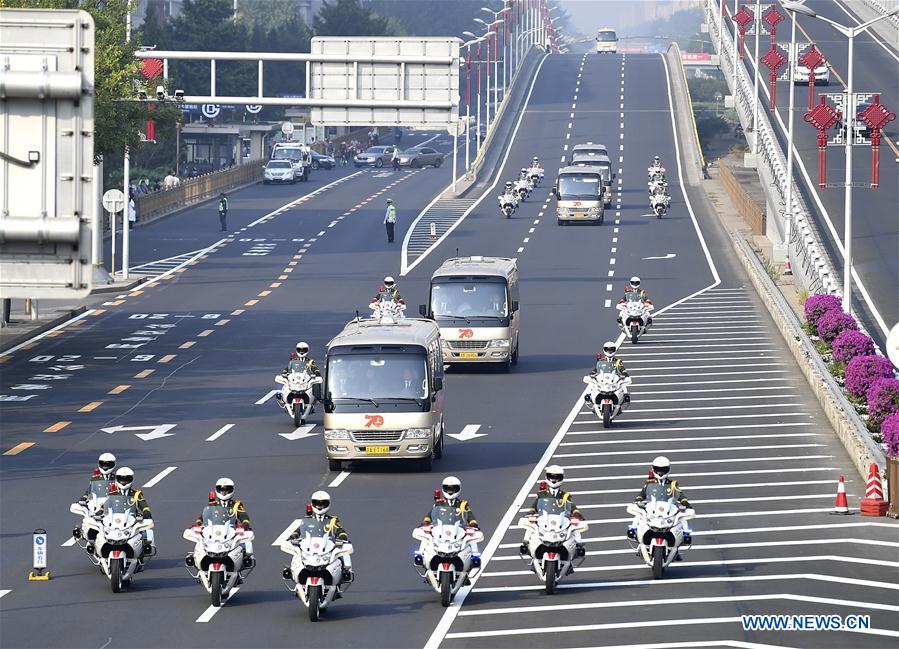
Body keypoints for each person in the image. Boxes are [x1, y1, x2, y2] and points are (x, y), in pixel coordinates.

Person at [629, 456, 692, 558]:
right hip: (652, 509)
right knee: (638, 517)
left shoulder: (672, 484)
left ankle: (681, 543)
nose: (660, 472)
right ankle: (634, 535)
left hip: (668, 509)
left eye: (663, 469)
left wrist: (686, 504)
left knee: (682, 520)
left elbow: (680, 495)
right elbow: (642, 494)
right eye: (658, 469)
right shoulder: (649, 483)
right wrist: (637, 501)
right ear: (653, 469)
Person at [521, 466, 585, 558]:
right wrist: (529, 513)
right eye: (551, 477)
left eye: (556, 477)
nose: (554, 480)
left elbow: (572, 506)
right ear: (547, 477)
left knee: (575, 525)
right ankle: (525, 544)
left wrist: (577, 513)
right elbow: (535, 506)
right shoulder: (541, 494)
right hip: (545, 520)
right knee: (531, 524)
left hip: (560, 520)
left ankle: (579, 545)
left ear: (561, 478)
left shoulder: (565, 495)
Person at [291, 490, 353, 582]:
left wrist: (342, 537)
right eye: (317, 503)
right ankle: (295, 577)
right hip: (311, 548)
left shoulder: (333, 520)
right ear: (312, 504)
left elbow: (340, 531)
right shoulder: (306, 520)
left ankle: (345, 574)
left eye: (323, 504)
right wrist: (292, 537)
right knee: (296, 555)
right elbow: (299, 531)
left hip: (327, 547)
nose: (320, 506)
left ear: (328, 504)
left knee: (343, 552)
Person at [416, 477, 480, 565]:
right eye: (448, 488)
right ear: (443, 489)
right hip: (440, 530)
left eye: (453, 489)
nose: (450, 491)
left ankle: (474, 558)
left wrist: (473, 524)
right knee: (425, 534)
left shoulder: (463, 504)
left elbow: (469, 515)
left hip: (458, 530)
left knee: (472, 536)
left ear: (458, 489)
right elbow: (430, 514)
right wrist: (425, 522)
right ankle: (421, 555)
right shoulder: (439, 503)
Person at [196, 478, 255, 567]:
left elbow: (244, 516)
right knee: (199, 544)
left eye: (227, 490)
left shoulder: (236, 505)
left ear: (231, 490)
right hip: (213, 532)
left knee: (246, 549)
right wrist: (198, 524)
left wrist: (244, 524)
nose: (224, 492)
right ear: (217, 490)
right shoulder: (212, 505)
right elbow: (203, 516)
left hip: (230, 532)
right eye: (222, 489)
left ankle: (242, 563)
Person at [110, 467, 155, 556]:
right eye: (121, 479)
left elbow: (144, 505)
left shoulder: (136, 494)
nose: (124, 481)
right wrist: (99, 512)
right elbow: (104, 507)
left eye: (126, 479)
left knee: (143, 531)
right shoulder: (111, 495)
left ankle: (142, 551)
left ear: (131, 480)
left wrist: (146, 512)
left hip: (131, 521)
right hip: (114, 522)